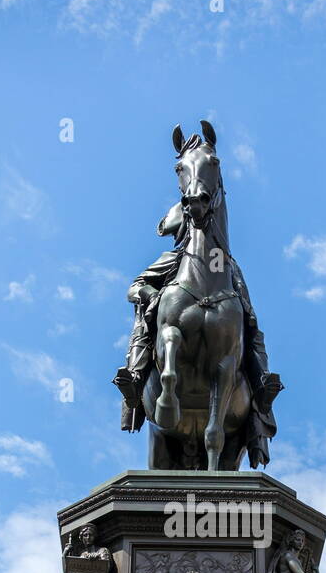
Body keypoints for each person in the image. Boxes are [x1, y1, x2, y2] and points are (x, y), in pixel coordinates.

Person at [113, 200, 283, 467]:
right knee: (149, 326)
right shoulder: (172, 260)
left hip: (226, 333)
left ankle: (261, 389)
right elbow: (135, 288)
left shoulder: (228, 267)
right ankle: (135, 380)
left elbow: (244, 307)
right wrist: (153, 296)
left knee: (250, 328)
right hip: (164, 324)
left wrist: (240, 309)